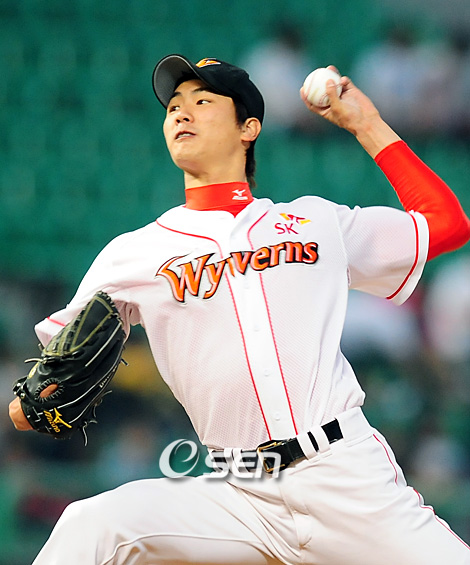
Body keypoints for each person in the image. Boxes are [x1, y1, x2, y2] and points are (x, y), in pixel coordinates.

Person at [9, 53, 470, 564]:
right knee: (93, 524)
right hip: (236, 494)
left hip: (344, 477)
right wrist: (29, 408)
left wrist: (366, 123)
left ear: (248, 128)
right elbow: (45, 387)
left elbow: (446, 224)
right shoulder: (133, 254)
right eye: (173, 107)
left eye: (202, 101)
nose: (181, 113)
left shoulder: (315, 223)